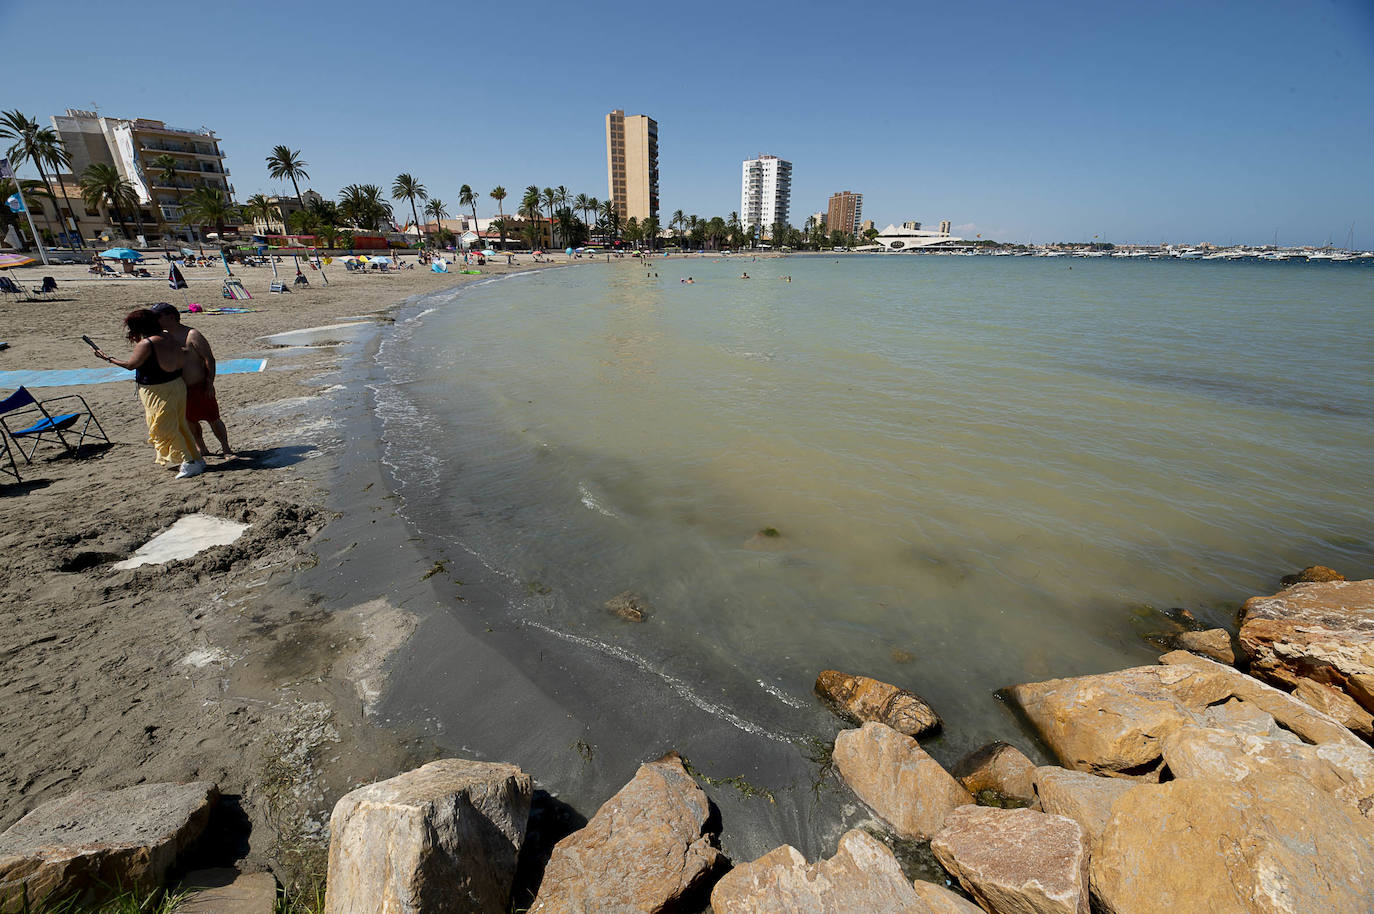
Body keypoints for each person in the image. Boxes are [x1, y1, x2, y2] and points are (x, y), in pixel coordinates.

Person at [92, 308, 205, 478]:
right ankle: (196, 459)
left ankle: (188, 461)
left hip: (158, 390)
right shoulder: (168, 336)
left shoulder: (147, 343)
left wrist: (107, 358)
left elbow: (131, 365)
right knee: (179, 424)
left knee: (163, 427)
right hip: (176, 385)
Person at [150, 302, 232, 457]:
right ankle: (202, 449)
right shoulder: (162, 337)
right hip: (180, 389)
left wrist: (209, 382)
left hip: (199, 385)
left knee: (213, 418)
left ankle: (226, 448)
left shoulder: (191, 334)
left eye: (157, 317)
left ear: (171, 317)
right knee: (190, 422)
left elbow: (209, 359)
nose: (155, 321)